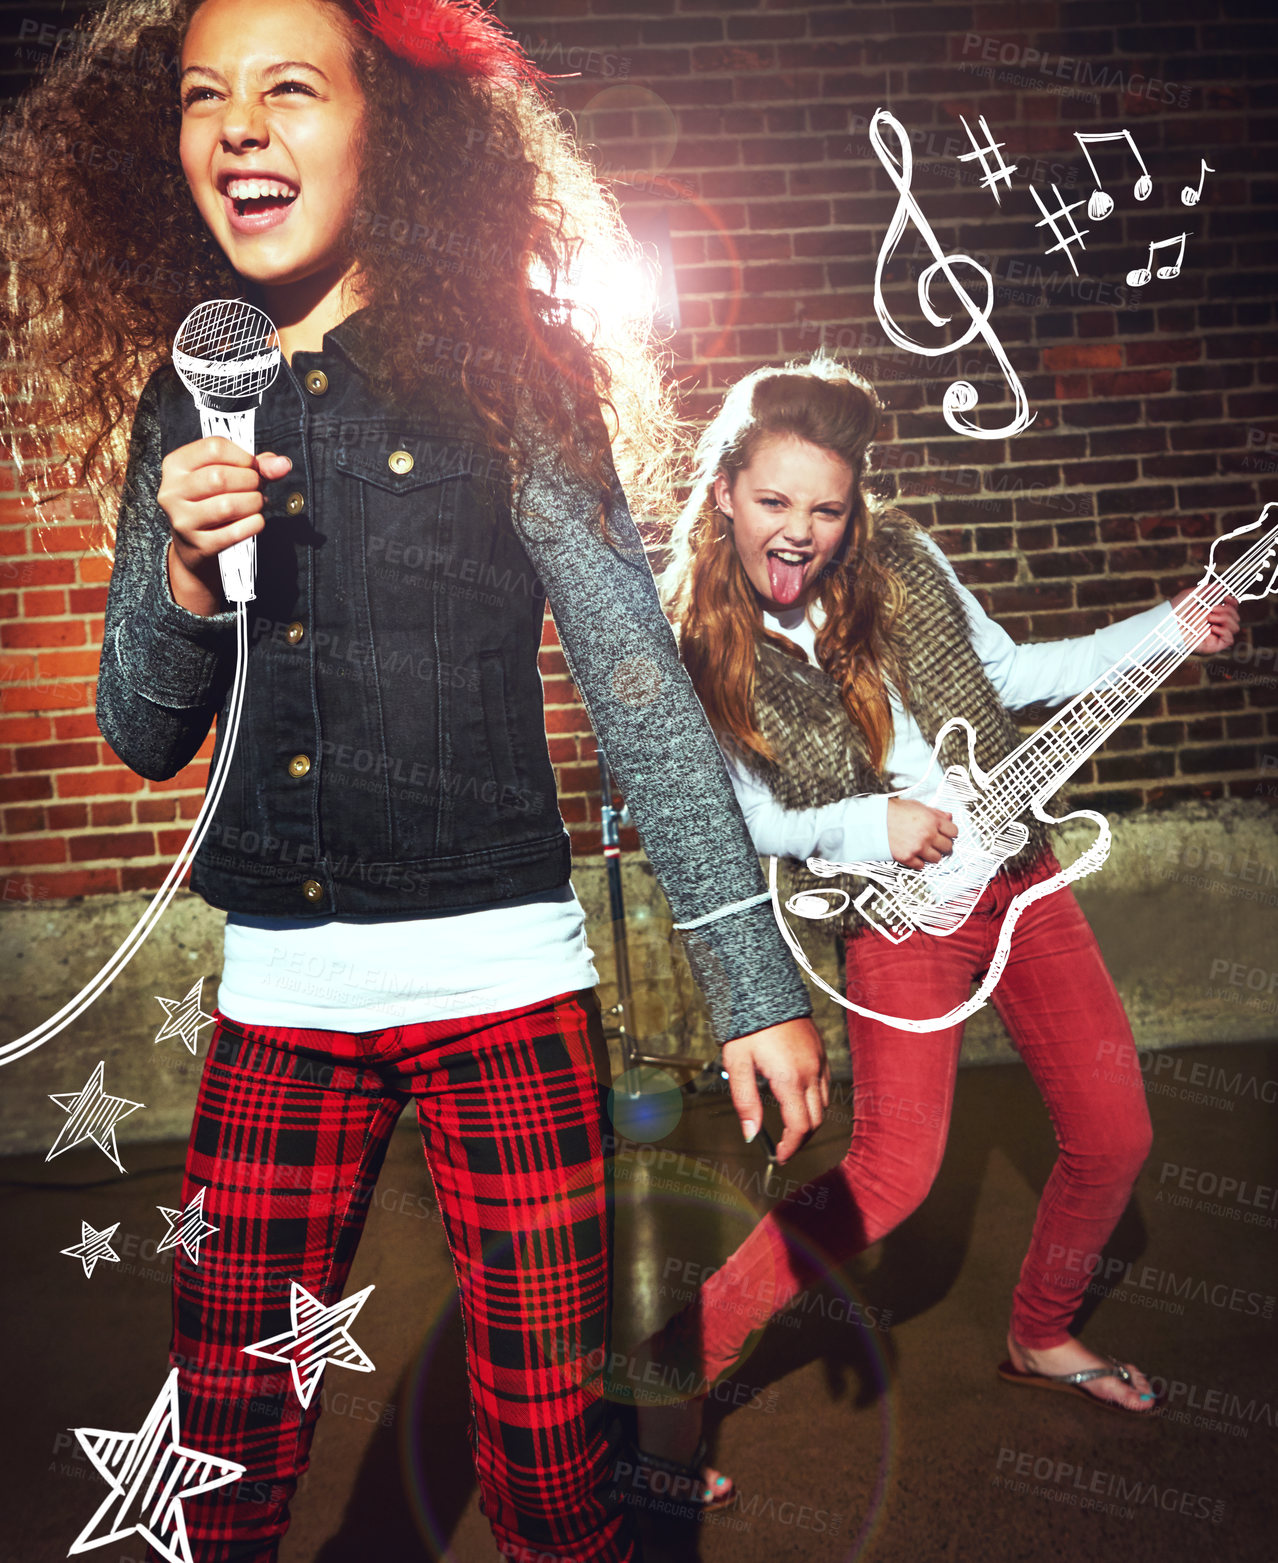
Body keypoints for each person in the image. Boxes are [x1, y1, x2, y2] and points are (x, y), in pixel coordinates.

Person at [0, 4, 829, 1558]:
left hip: (498, 990)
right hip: (278, 1011)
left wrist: (745, 969)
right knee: (217, 1455)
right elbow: (140, 727)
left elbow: (637, 680)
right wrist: (182, 568)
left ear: (396, 126)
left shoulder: (513, 374)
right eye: (204, 98)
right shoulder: (185, 403)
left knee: (548, 1458)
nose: (239, 126)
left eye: (290, 88)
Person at [628, 356, 1239, 1508]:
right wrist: (873, 819)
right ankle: (670, 1373)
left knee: (1114, 1135)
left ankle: (1044, 1336)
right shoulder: (696, 643)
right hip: (898, 917)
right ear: (725, 492)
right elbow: (749, 818)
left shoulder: (901, 557)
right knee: (891, 1177)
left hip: (1019, 875)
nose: (801, 532)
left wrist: (1167, 626)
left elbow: (1011, 672)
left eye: (827, 507)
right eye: (774, 502)